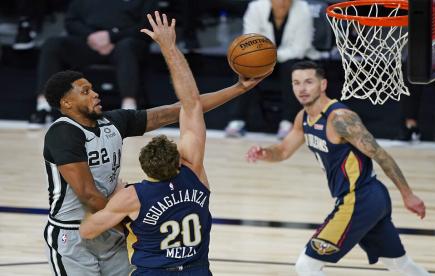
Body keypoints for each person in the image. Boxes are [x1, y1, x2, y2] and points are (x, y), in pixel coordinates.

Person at [41, 25, 268, 276]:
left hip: (114, 221)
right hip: (76, 232)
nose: (95, 94)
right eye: (85, 91)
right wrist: (141, 224)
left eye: (92, 88)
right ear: (66, 102)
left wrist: (238, 89)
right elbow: (87, 194)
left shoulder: (113, 122)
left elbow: (178, 109)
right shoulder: (63, 133)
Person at [246, 61, 430, 275]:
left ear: (322, 84)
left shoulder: (340, 119)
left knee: (306, 266)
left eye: (308, 82)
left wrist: (408, 195)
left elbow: (380, 154)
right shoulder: (303, 117)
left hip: (360, 198)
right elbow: (284, 150)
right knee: (399, 264)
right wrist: (264, 153)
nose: (302, 89)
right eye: (296, 83)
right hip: (368, 199)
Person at [80, 11, 214, 274]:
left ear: (146, 169)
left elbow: (88, 230)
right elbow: (192, 102)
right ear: (179, 160)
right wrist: (169, 47)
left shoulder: (133, 197)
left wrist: (112, 196)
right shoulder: (194, 172)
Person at [28, 0, 157, 128]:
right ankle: (43, 107)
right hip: (89, 41)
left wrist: (111, 36)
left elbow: (147, 26)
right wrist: (92, 37)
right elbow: (71, 21)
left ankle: (129, 109)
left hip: (125, 41)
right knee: (52, 45)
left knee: (127, 47)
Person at [224, 0, 319, 139]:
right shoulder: (256, 7)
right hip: (262, 56)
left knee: (293, 69)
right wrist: (263, 58)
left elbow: (300, 47)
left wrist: (271, 57)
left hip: (293, 57)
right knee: (244, 67)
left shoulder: (303, 8)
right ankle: (236, 121)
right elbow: (250, 40)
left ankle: (288, 122)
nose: (282, 2)